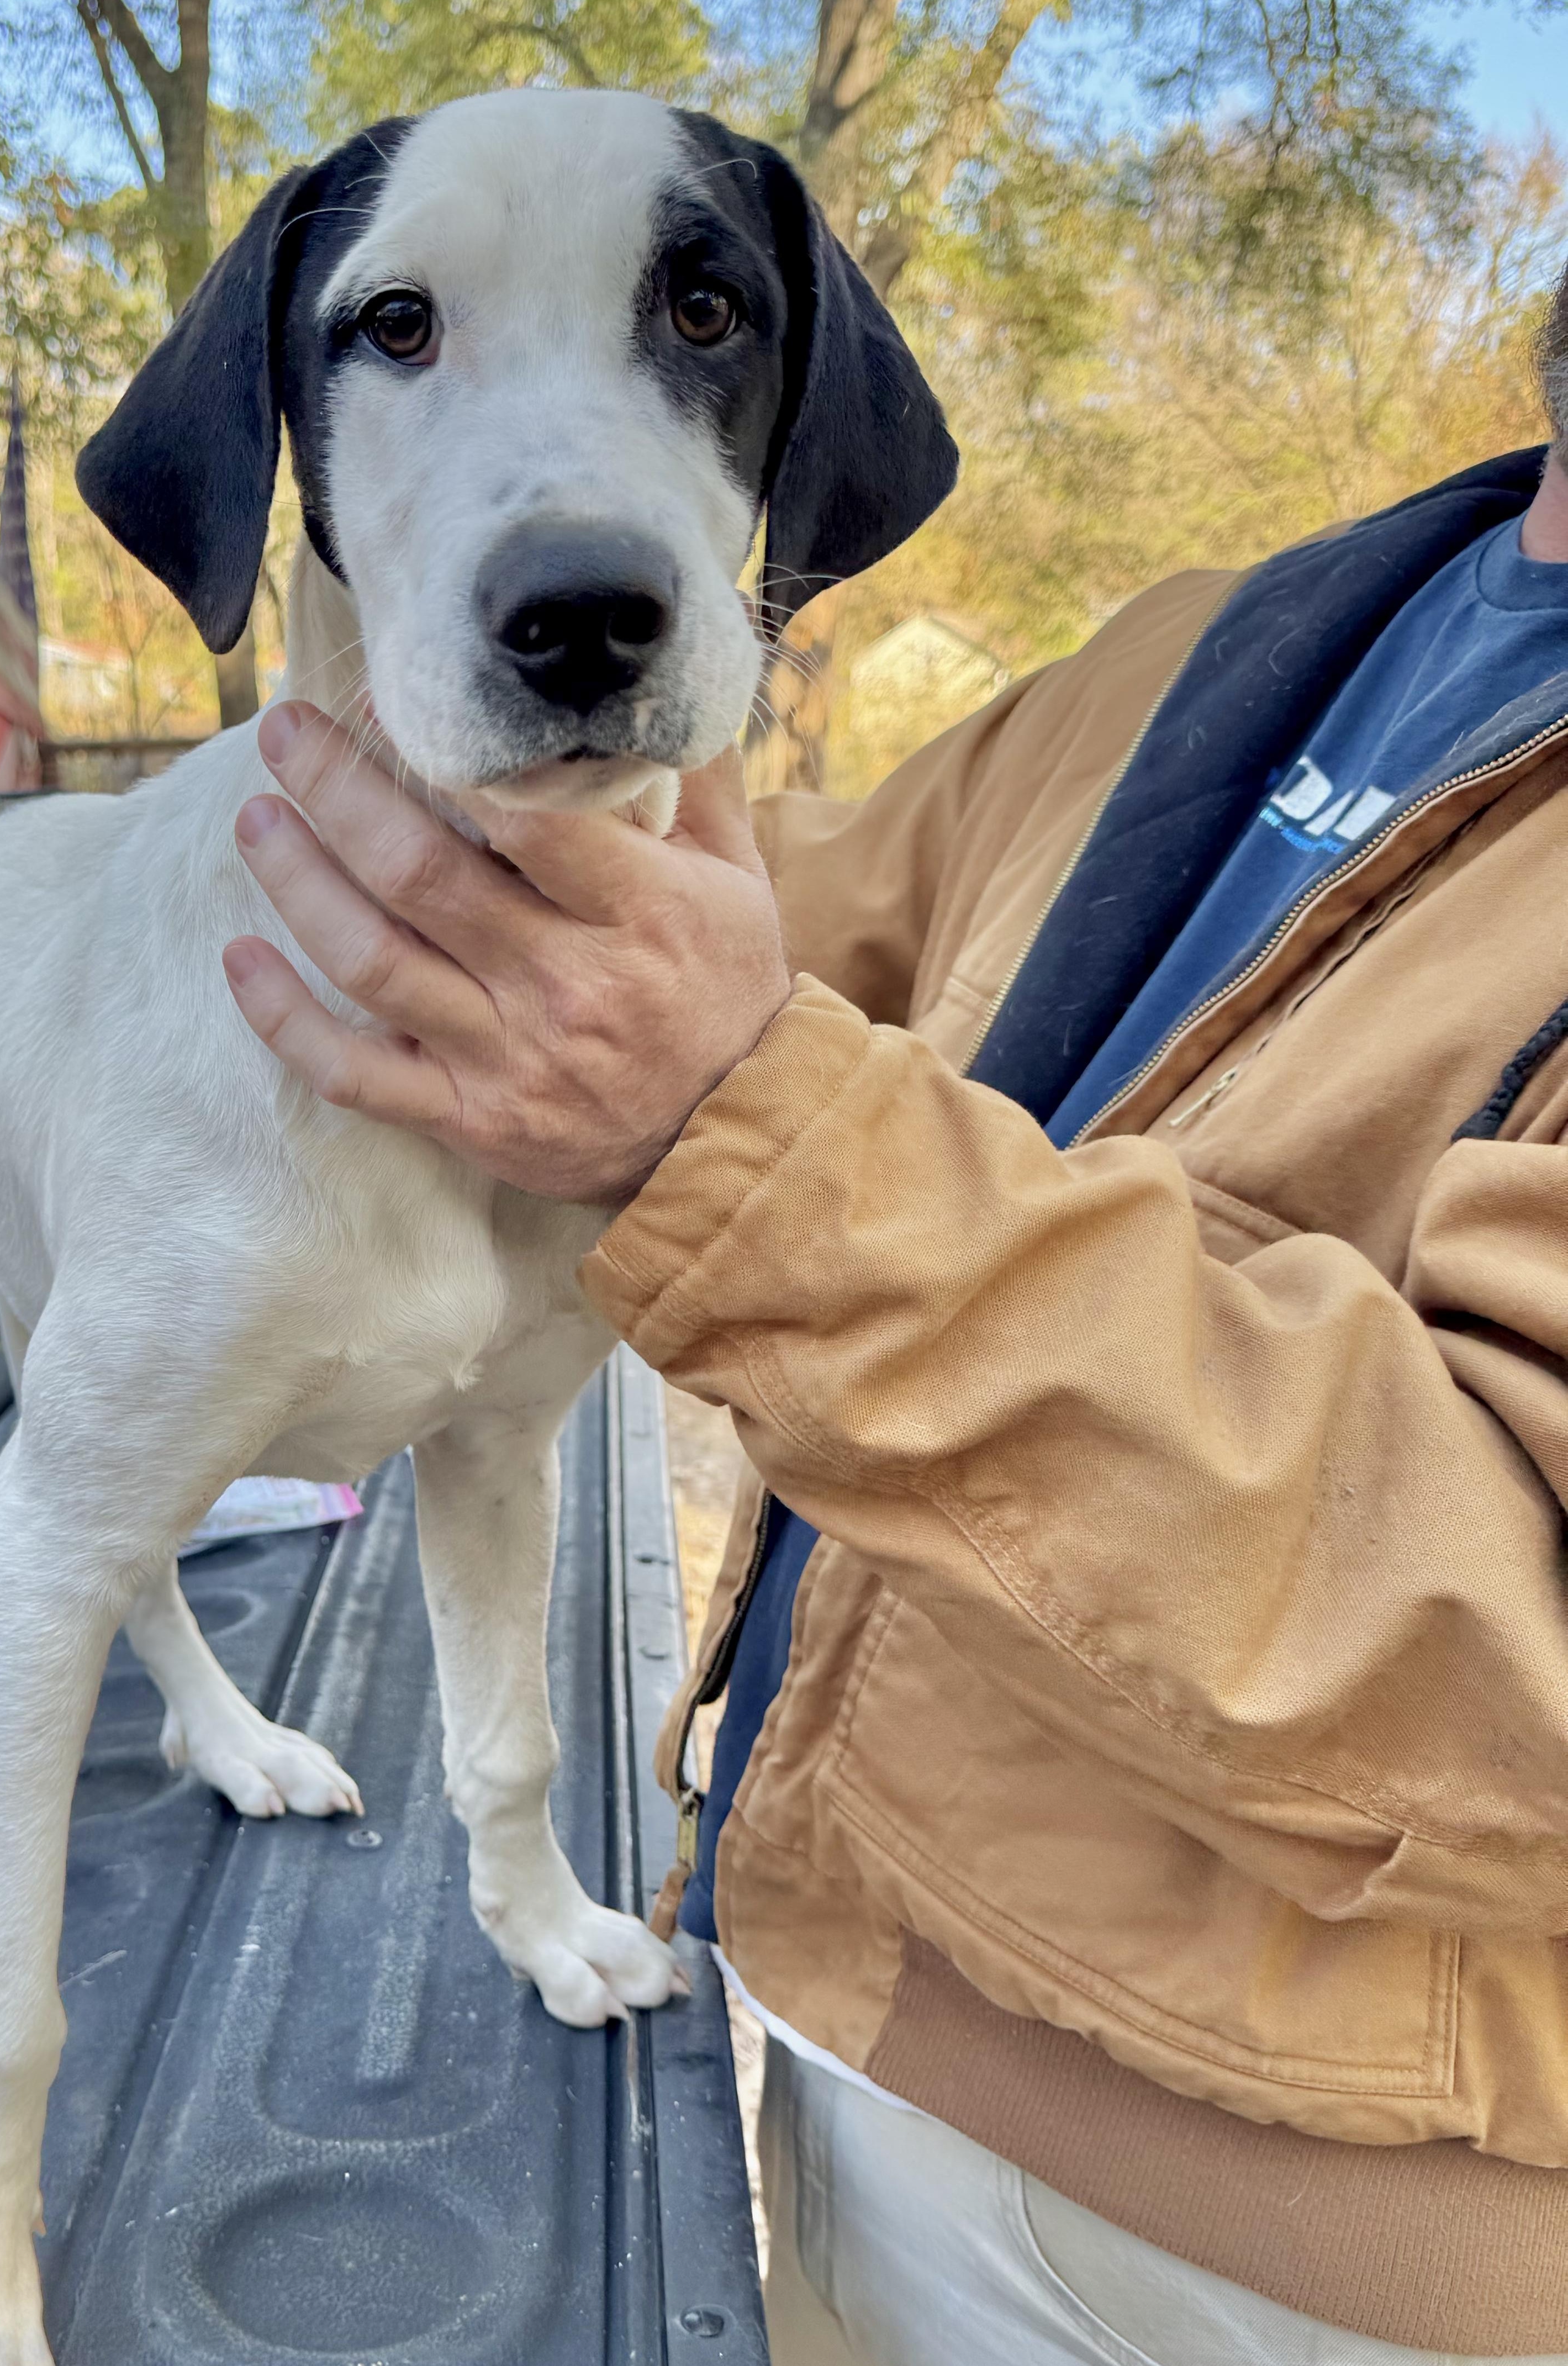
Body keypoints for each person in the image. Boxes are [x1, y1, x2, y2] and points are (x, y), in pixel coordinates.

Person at [215, 268, 1568, 2364]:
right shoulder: (1249, 630)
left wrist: (741, 1137)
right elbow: (768, 922)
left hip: (1325, 2290)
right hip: (850, 2058)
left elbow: (1513, 1661)